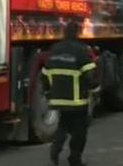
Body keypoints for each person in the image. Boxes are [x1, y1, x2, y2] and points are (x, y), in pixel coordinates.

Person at [41, 20, 99, 166]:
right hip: (77, 100)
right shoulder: (80, 50)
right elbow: (90, 74)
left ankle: (55, 149)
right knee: (79, 131)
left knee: (63, 126)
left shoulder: (54, 49)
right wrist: (95, 88)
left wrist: (48, 92)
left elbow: (44, 73)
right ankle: (75, 159)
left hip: (58, 100)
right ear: (77, 33)